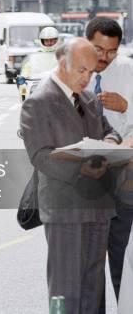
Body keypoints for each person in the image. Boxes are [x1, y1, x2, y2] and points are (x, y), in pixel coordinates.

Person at [20, 38, 122, 314]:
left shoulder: (88, 99)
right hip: (65, 208)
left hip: (98, 206)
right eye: (81, 70)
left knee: (93, 289)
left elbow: (110, 131)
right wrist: (81, 169)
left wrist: (111, 144)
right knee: (65, 290)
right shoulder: (38, 102)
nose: (87, 78)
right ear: (63, 63)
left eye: (91, 72)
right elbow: (39, 155)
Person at [85, 17, 133, 305]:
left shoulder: (129, 72)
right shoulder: (73, 72)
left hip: (122, 183)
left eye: (111, 51)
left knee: (121, 258)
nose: (104, 58)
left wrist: (127, 107)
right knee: (86, 267)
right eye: (97, 49)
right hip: (82, 184)